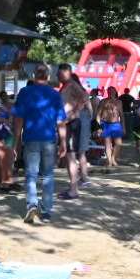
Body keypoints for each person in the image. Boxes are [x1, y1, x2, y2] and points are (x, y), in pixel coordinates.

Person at [11, 64, 65, 225]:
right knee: (48, 175)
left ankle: (32, 204)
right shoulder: (55, 95)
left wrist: (16, 143)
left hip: (31, 138)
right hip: (49, 139)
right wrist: (64, 142)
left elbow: (18, 120)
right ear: (48, 76)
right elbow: (61, 121)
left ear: (34, 75)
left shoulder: (25, 92)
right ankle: (47, 211)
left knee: (31, 175)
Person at [56, 64, 92, 197]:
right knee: (68, 156)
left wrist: (74, 111)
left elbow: (85, 97)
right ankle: (72, 187)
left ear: (67, 72)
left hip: (72, 123)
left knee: (71, 156)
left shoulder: (72, 84)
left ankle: (73, 190)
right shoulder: (64, 86)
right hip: (65, 124)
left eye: (60, 74)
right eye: (57, 74)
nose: (58, 76)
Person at [98, 86, 125, 168]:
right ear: (107, 92)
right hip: (105, 124)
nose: (111, 92)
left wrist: (124, 127)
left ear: (115, 92)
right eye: (109, 91)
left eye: (112, 91)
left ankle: (113, 159)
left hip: (116, 124)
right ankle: (109, 161)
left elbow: (122, 115)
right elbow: (98, 115)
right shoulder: (103, 101)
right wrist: (99, 127)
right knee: (107, 144)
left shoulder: (119, 102)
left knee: (118, 143)